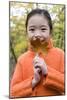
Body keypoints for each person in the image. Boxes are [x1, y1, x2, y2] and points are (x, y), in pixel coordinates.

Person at [10, 8, 64, 98]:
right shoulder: (22, 60)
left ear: (50, 32)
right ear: (26, 32)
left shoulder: (61, 55)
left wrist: (47, 72)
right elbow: (13, 92)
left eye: (43, 29)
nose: (37, 34)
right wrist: (33, 81)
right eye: (32, 30)